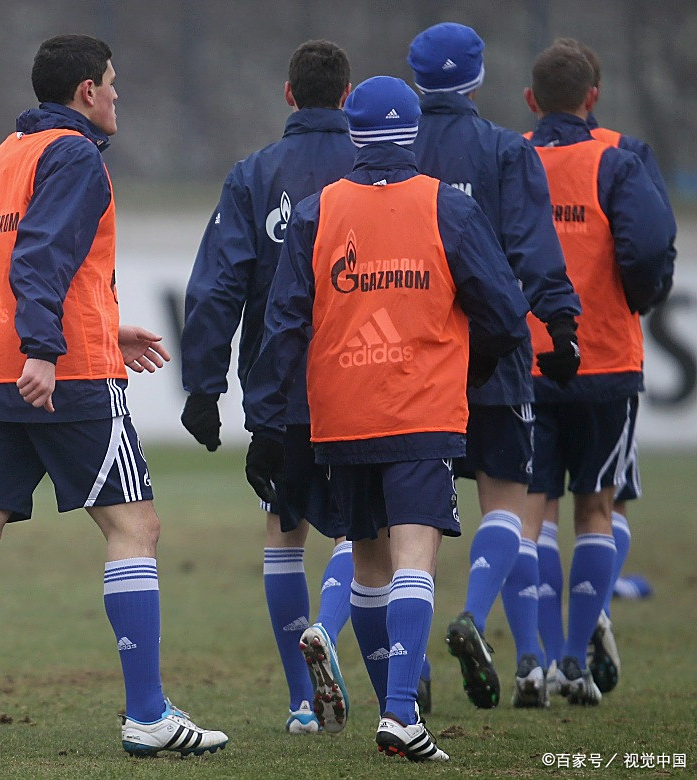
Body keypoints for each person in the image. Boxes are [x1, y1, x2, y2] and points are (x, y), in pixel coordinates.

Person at [0, 34, 228, 757]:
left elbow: (23, 259)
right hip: (60, 373)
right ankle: (148, 717)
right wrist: (49, 345)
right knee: (135, 530)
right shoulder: (73, 155)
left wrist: (102, 323)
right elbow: (42, 254)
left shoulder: (3, 155)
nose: (116, 96)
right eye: (113, 84)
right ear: (86, 93)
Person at [246, 75, 530, 761]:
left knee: (367, 562)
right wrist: (471, 368)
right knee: (414, 558)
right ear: (414, 135)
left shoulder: (317, 211)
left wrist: (271, 423)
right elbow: (505, 312)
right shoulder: (446, 208)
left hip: (341, 417)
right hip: (421, 406)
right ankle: (402, 713)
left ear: (354, 131)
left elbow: (283, 324)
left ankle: (391, 707)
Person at [180, 39, 356, 735]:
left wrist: (203, 387)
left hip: (282, 388)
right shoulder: (379, 170)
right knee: (366, 530)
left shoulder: (254, 175)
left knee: (285, 534)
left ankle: (301, 706)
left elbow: (219, 286)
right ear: (347, 98)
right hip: (368, 382)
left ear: (289, 95)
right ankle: (354, 649)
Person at [405, 22, 582, 711]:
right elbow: (535, 250)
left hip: (415, 358)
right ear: (477, 79)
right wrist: (561, 325)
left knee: (413, 513)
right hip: (497, 353)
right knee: (507, 498)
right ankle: (474, 619)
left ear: (417, 78)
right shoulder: (508, 150)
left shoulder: (396, 144)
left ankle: (410, 659)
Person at [521, 42, 674, 706]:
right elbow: (647, 246)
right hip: (606, 360)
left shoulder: (513, 156)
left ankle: (532, 662)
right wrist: (636, 298)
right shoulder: (620, 159)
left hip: (523, 363)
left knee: (528, 515)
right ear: (594, 96)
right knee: (597, 508)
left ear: (530, 102)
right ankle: (574, 663)